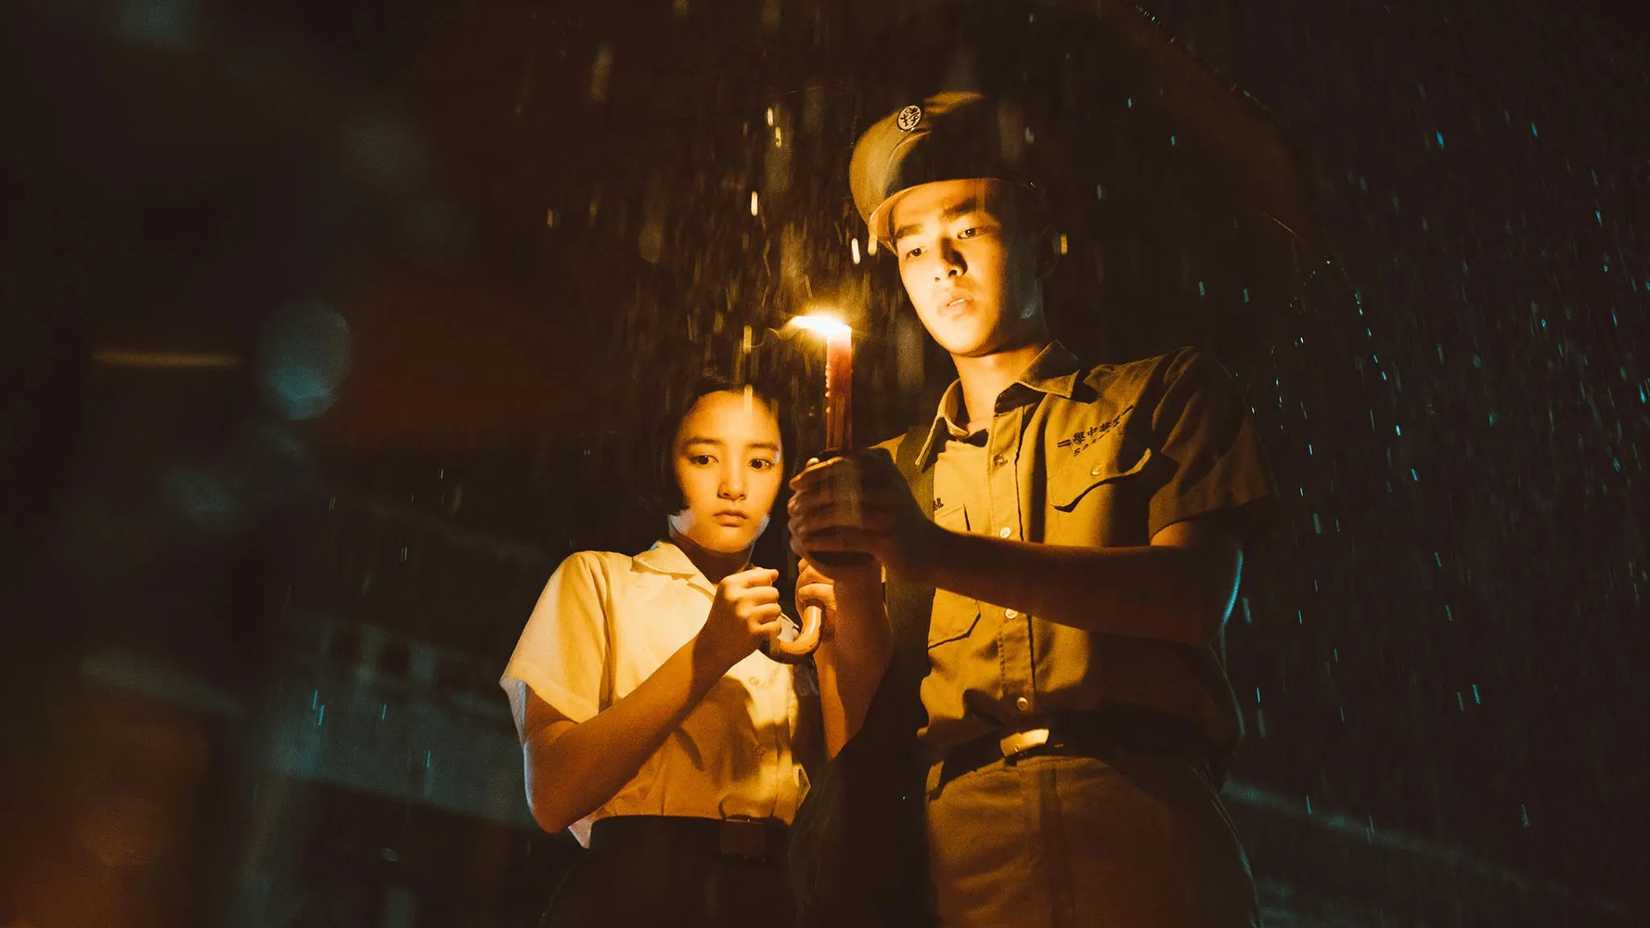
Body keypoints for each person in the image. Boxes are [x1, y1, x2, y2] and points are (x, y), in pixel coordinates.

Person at [788, 91, 1275, 927]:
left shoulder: (1164, 396)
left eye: (968, 230)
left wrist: (929, 551)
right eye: (911, 248)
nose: (939, 266)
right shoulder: (890, 476)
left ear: (1045, 238)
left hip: (1144, 831)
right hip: (965, 859)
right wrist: (850, 587)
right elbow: (862, 730)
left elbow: (1192, 599)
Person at [499, 375, 818, 927]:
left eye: (761, 463)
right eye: (703, 458)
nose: (734, 486)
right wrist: (708, 653)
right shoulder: (600, 581)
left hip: (771, 897)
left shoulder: (796, 628)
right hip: (638, 888)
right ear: (663, 462)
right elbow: (552, 792)